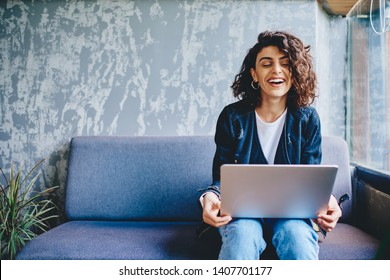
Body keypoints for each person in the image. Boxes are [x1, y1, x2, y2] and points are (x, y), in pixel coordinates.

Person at [200, 30, 342, 260]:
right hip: (242, 214)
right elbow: (222, 178)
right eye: (267, 64)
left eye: (285, 64)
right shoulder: (231, 117)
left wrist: (327, 200)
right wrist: (210, 196)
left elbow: (311, 176)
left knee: (296, 236)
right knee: (243, 234)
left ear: (294, 73)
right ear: (254, 74)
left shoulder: (308, 119)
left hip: (292, 215)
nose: (276, 70)